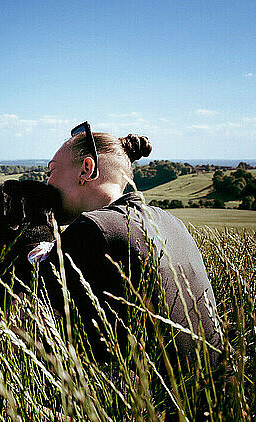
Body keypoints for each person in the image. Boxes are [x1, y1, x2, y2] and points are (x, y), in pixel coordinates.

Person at [41, 122, 224, 367]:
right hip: (215, 392)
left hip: (158, 401)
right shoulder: (173, 223)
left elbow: (26, 313)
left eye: (51, 172)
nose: (47, 183)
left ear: (86, 169)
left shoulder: (93, 228)